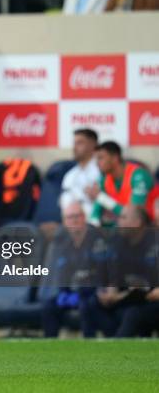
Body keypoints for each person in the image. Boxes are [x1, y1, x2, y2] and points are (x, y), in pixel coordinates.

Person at [80, 205, 158, 337]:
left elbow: (151, 291)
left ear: (137, 222)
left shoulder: (154, 243)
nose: (118, 222)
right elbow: (111, 274)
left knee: (132, 313)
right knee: (90, 305)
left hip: (150, 301)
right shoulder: (118, 241)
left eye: (123, 218)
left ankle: (115, 351)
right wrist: (108, 291)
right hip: (128, 299)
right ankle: (92, 350)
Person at [41, 201, 111, 338]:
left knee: (86, 305)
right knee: (48, 307)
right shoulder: (62, 242)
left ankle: (88, 347)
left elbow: (102, 273)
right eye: (70, 217)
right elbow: (62, 273)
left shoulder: (97, 238)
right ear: (64, 222)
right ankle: (48, 349)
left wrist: (84, 291)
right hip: (72, 293)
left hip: (92, 292)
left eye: (77, 216)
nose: (74, 220)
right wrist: (64, 292)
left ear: (84, 217)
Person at [88, 141, 153, 227]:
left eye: (101, 158)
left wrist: (102, 198)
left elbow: (133, 216)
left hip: (149, 227)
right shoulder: (105, 179)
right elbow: (96, 211)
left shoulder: (138, 175)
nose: (97, 163)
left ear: (115, 158)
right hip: (123, 226)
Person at [60, 129, 100, 220]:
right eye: (74, 143)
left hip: (96, 224)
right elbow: (64, 203)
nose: (74, 147)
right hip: (72, 223)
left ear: (92, 145)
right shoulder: (69, 175)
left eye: (80, 143)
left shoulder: (102, 171)